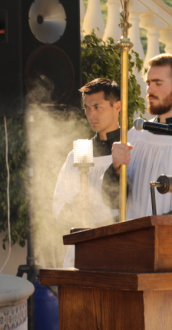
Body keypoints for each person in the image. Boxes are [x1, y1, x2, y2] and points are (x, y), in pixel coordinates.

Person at [101, 54, 172, 219]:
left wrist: (152, 232)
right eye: (149, 83)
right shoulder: (135, 135)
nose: (149, 90)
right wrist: (115, 170)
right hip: (133, 240)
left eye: (158, 83)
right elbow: (113, 200)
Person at [52, 78, 122, 267]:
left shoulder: (131, 152)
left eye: (98, 107)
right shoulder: (77, 155)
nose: (91, 114)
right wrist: (73, 209)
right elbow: (58, 205)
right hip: (81, 252)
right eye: (87, 108)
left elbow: (139, 205)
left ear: (117, 106)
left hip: (119, 250)